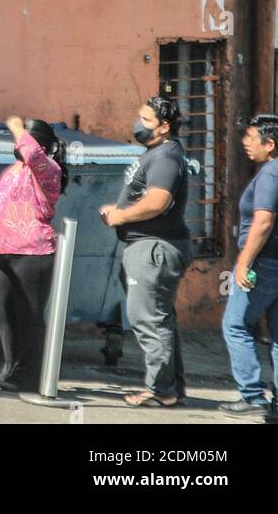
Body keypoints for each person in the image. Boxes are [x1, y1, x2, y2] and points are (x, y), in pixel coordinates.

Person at [100, 95, 192, 407]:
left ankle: (160, 391)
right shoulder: (159, 153)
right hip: (150, 245)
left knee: (148, 320)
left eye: (146, 120)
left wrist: (121, 215)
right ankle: (171, 388)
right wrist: (121, 210)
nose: (138, 124)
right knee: (159, 320)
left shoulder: (165, 157)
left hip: (154, 248)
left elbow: (157, 202)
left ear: (164, 126)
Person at [0, 116, 67, 392]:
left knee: (29, 316)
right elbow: (3, 206)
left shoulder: (48, 170)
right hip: (5, 253)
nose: (17, 144)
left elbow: (31, 152)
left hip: (33, 254)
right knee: (2, 311)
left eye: (22, 139)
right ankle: (12, 368)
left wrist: (17, 127)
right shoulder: (16, 170)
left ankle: (31, 376)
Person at [219, 114, 278, 419]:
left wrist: (244, 262)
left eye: (251, 138)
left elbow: (263, 221)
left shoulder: (270, 174)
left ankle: (253, 395)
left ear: (270, 144)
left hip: (264, 262)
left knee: (235, 324)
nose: (245, 142)